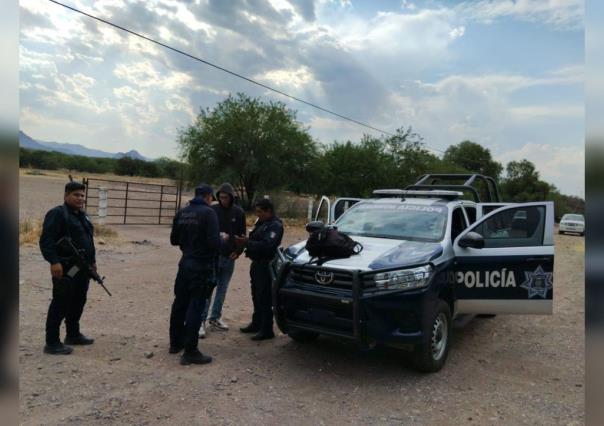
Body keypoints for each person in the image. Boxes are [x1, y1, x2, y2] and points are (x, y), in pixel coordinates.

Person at [169, 184, 225, 365]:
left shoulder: (183, 212)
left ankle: (175, 342)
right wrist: (222, 239)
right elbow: (214, 243)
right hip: (201, 265)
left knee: (180, 303)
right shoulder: (209, 213)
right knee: (196, 305)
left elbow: (174, 240)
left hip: (184, 263)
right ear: (209, 196)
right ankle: (190, 350)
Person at [39, 181, 96, 355]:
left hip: (81, 268)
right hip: (65, 268)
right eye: (76, 195)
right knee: (61, 301)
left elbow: (88, 241)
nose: (80, 198)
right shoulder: (58, 214)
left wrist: (92, 263)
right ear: (66, 196)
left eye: (82, 195)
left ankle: (73, 334)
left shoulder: (82, 216)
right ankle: (52, 342)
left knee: (79, 299)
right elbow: (46, 240)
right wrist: (54, 262)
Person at [198, 183, 246, 338]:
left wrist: (238, 251)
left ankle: (215, 317)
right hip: (213, 256)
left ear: (232, 197)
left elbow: (242, 235)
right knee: (208, 289)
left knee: (222, 289)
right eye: (221, 197)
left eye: (226, 197)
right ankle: (201, 321)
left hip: (229, 257)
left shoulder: (239, 212)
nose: (223, 200)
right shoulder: (212, 210)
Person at [236, 198, 283, 341]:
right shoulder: (262, 223)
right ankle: (257, 323)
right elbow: (256, 239)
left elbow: (268, 245)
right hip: (256, 263)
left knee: (264, 297)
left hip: (266, 265)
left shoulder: (275, 226)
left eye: (260, 212)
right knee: (256, 295)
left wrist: (247, 243)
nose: (258, 215)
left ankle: (267, 329)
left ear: (268, 211)